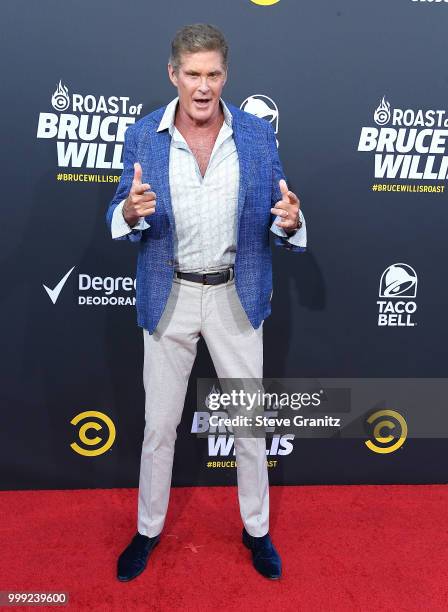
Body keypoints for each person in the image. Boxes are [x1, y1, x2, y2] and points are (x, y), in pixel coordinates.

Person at [105, 23, 307, 582]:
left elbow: (283, 209)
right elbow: (118, 209)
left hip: (233, 296)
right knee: (159, 426)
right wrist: (127, 214)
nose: (202, 86)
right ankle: (148, 530)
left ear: (226, 75)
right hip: (167, 295)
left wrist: (292, 223)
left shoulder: (257, 135)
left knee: (248, 423)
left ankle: (257, 530)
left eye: (212, 74)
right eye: (191, 74)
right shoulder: (144, 135)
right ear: (173, 75)